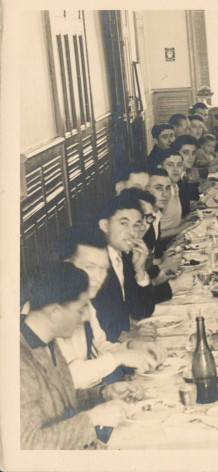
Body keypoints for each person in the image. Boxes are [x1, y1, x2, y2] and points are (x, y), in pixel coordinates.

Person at [20, 261, 137, 449]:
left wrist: (103, 393)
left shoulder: (47, 339)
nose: (84, 317)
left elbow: (61, 401)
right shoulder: (17, 360)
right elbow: (29, 444)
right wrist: (92, 418)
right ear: (55, 313)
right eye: (81, 309)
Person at [55, 225, 166, 389]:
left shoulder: (84, 299)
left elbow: (99, 346)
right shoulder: (50, 308)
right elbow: (65, 379)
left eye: (103, 269)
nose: (98, 278)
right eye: (90, 267)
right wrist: (118, 359)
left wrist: (132, 346)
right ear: (66, 265)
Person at [92, 191, 157, 342]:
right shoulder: (95, 262)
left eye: (136, 226)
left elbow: (142, 311)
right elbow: (96, 322)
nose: (132, 233)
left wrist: (140, 271)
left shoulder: (124, 256)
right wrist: (125, 337)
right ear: (104, 225)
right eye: (124, 224)